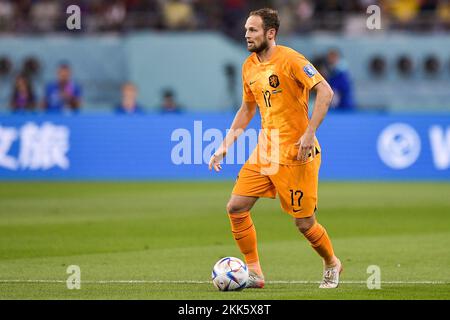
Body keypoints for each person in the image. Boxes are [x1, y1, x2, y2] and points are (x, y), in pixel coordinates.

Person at [208, 8, 342, 289]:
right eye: (246, 29)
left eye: (253, 30)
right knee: (236, 207)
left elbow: (325, 92)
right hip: (265, 151)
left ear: (271, 33)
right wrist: (224, 146)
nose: (247, 34)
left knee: (305, 224)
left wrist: (309, 133)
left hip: (297, 154)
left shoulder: (291, 59)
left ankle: (331, 262)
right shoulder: (248, 66)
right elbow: (247, 108)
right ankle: (255, 273)